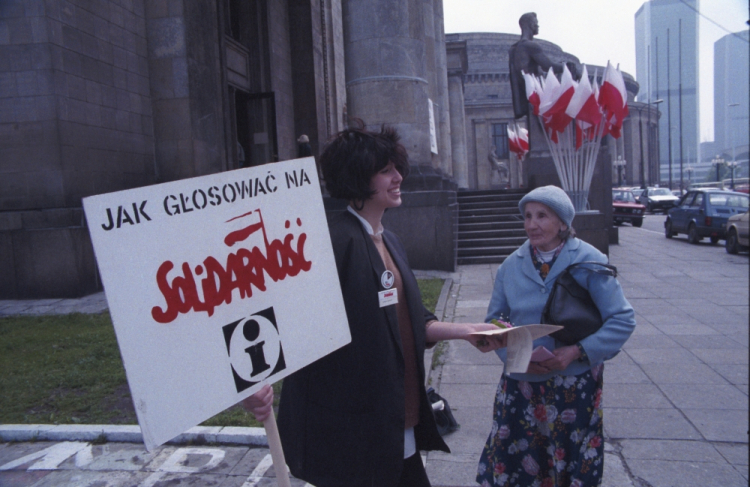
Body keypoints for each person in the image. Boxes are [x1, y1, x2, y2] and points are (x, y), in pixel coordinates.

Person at [244, 122, 506, 487]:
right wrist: (254, 385)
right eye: (386, 171)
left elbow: (408, 320)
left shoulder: (390, 240)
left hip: (398, 419)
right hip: (353, 431)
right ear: (357, 178)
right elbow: (286, 321)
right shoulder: (332, 242)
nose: (398, 177)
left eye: (396, 168)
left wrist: (467, 332)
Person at [476, 186, 635, 487]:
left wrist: (576, 351)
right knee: (520, 464)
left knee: (570, 461)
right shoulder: (511, 265)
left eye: (542, 216)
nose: (532, 224)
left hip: (573, 386)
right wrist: (516, 356)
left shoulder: (589, 259)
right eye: (527, 216)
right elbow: (495, 321)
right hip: (521, 386)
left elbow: (622, 319)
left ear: (563, 222)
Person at [509, 12, 579, 119]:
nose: (537, 26)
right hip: (536, 99)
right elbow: (548, 66)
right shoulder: (530, 46)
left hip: (527, 99)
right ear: (528, 24)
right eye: (535, 23)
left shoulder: (515, 49)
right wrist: (567, 67)